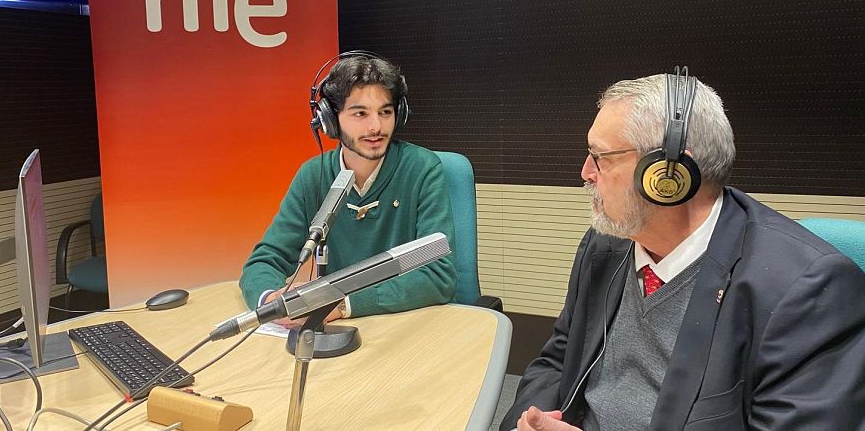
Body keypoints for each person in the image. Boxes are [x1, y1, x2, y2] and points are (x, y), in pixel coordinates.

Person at [501, 73, 865, 430]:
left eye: (601, 157)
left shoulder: (806, 288)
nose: (585, 172)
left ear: (667, 175)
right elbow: (559, 356)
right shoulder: (606, 244)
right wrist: (532, 421)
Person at [239, 55, 457, 322]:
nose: (375, 126)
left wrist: (344, 303)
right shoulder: (313, 176)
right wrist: (271, 300)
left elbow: (438, 275)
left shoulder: (422, 169)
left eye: (385, 112)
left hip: (408, 324)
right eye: (360, 113)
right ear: (330, 119)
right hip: (339, 332)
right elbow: (265, 260)